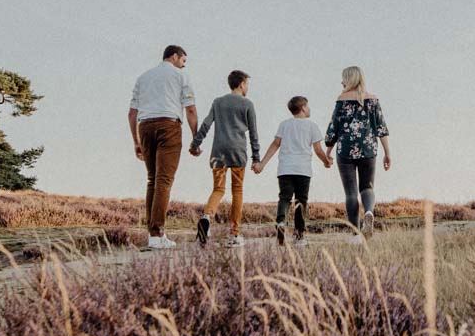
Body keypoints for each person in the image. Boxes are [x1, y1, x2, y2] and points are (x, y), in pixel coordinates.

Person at [128, 45, 198, 250]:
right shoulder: (181, 77)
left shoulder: (143, 77)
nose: (184, 66)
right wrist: (196, 138)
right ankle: (157, 234)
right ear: (174, 57)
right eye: (183, 61)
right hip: (169, 126)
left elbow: (132, 113)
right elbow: (191, 109)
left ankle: (153, 234)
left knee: (152, 179)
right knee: (164, 180)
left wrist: (136, 141)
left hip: (145, 127)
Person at [190, 70, 262, 247]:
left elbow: (206, 124)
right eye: (247, 84)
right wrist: (256, 158)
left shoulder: (218, 102)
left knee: (218, 189)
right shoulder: (247, 104)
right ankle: (234, 234)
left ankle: (207, 216)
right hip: (238, 152)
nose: (248, 87)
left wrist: (195, 144)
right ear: (241, 84)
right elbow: (253, 133)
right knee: (237, 190)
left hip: (218, 152)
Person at [322, 66, 390, 239]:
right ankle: (368, 211)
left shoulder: (341, 100)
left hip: (345, 151)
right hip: (368, 149)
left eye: (343, 78)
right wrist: (387, 153)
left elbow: (333, 129)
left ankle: (355, 234)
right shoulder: (373, 100)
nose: (341, 82)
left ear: (349, 79)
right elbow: (381, 128)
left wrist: (328, 151)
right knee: (367, 186)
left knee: (351, 193)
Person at [254, 95, 331, 246]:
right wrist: (326, 162)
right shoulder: (312, 126)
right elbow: (318, 150)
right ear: (302, 108)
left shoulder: (284, 125)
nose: (309, 109)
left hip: (285, 169)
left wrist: (262, 163)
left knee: (284, 198)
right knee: (301, 201)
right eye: (307, 106)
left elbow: (275, 145)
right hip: (303, 170)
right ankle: (299, 235)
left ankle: (281, 222)